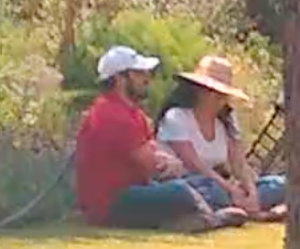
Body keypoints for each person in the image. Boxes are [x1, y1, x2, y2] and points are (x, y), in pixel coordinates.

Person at [75, 46, 239, 230]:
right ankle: (210, 218)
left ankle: (189, 217)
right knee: (180, 191)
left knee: (203, 185)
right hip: (112, 202)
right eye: (139, 73)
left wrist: (167, 162)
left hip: (136, 190)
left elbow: (152, 151)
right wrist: (169, 164)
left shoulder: (131, 113)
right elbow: (152, 164)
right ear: (120, 79)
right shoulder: (111, 114)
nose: (147, 78)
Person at [154, 56, 287, 223]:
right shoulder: (177, 117)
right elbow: (195, 164)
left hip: (221, 184)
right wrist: (230, 189)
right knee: (212, 191)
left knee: (281, 184)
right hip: (191, 184)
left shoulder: (227, 121)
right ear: (199, 90)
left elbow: (239, 165)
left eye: (221, 94)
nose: (218, 99)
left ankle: (246, 208)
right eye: (213, 92)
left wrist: (250, 192)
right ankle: (248, 210)